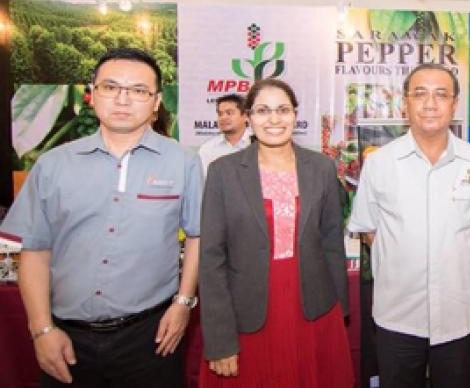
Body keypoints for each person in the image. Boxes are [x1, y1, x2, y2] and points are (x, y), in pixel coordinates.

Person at [0, 47, 202, 387]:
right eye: (111, 87)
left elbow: (197, 236)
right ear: (92, 95)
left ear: (155, 102)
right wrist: (41, 330)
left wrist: (183, 303)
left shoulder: (182, 162)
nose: (123, 100)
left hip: (150, 336)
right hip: (66, 336)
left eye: (138, 91)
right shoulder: (53, 164)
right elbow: (34, 251)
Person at [348, 63, 470, 388]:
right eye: (420, 93)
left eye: (441, 94)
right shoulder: (379, 163)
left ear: (454, 103)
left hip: (459, 314)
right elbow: (368, 230)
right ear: (405, 103)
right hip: (398, 315)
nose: (430, 103)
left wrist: (449, 251)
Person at [198, 78, 353, 388]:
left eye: (283, 109)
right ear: (248, 117)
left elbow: (331, 243)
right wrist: (219, 338)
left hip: (313, 306)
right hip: (249, 310)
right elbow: (211, 257)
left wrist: (340, 312)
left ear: (295, 115)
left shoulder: (321, 167)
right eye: (263, 110)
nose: (274, 119)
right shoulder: (223, 172)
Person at [198, 93, 251, 176]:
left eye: (229, 113)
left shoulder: (258, 144)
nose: (223, 118)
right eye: (220, 114)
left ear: (245, 116)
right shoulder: (208, 149)